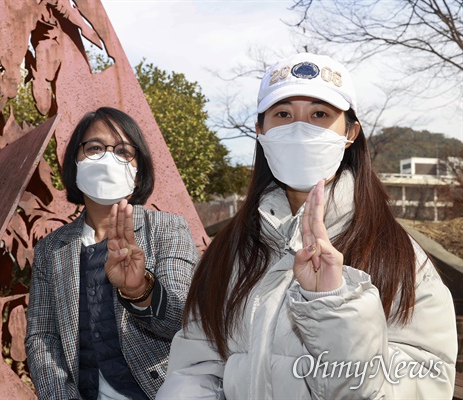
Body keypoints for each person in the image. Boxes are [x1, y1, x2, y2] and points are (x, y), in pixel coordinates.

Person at [156, 53, 457, 399]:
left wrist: (332, 305)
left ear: (350, 132)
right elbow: (194, 369)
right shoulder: (228, 253)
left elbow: (424, 383)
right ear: (260, 131)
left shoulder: (401, 257)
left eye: (319, 114)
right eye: (283, 114)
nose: (299, 128)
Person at [25, 107, 199, 399]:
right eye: (94, 148)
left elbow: (185, 320)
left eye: (122, 151)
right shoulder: (51, 249)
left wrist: (141, 290)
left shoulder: (168, 229)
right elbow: (42, 338)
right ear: (75, 162)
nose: (108, 159)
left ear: (138, 168)